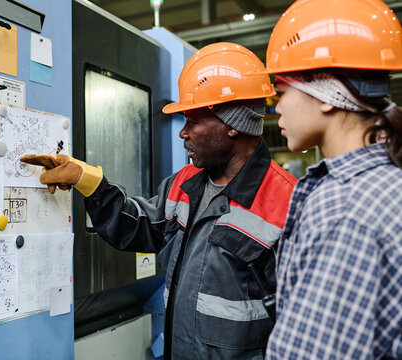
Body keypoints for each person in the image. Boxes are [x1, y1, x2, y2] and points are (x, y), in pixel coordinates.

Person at [22, 43, 296, 359]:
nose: (183, 133)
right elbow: (137, 226)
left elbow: (304, 330)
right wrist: (87, 179)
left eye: (192, 120)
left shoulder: (287, 204)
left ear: (232, 123)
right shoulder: (184, 185)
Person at [263, 0, 402, 359]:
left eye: (281, 92)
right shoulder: (385, 184)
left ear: (324, 92)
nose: (276, 108)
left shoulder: (346, 209)